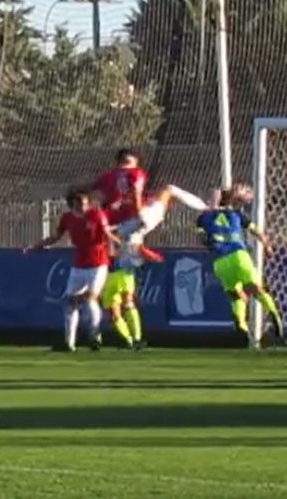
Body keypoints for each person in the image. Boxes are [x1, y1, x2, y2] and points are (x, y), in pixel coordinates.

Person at [27, 188, 119, 352]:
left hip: (98, 264)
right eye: (79, 204)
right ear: (72, 205)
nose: (83, 207)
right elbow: (55, 237)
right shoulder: (67, 218)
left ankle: (94, 335)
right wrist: (36, 246)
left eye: (85, 203)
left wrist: (116, 250)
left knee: (91, 298)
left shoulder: (97, 215)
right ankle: (69, 342)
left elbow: (107, 235)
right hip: (79, 266)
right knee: (70, 303)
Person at [196, 187, 283, 348]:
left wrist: (213, 240)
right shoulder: (236, 215)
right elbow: (256, 231)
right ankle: (273, 313)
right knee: (256, 289)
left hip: (220, 260)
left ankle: (242, 327)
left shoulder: (202, 218)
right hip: (239, 255)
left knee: (235, 295)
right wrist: (266, 244)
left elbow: (202, 239)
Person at [92, 148, 209, 246]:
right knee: (169, 190)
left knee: (130, 251)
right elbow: (136, 195)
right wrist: (140, 217)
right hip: (137, 219)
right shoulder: (135, 173)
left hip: (116, 226)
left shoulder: (105, 177)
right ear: (133, 162)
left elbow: (96, 203)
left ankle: (123, 241)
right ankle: (207, 209)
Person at [102, 235, 164, 350]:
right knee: (118, 310)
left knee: (124, 305)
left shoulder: (121, 231)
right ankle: (131, 339)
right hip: (114, 275)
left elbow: (136, 248)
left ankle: (133, 339)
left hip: (119, 273)